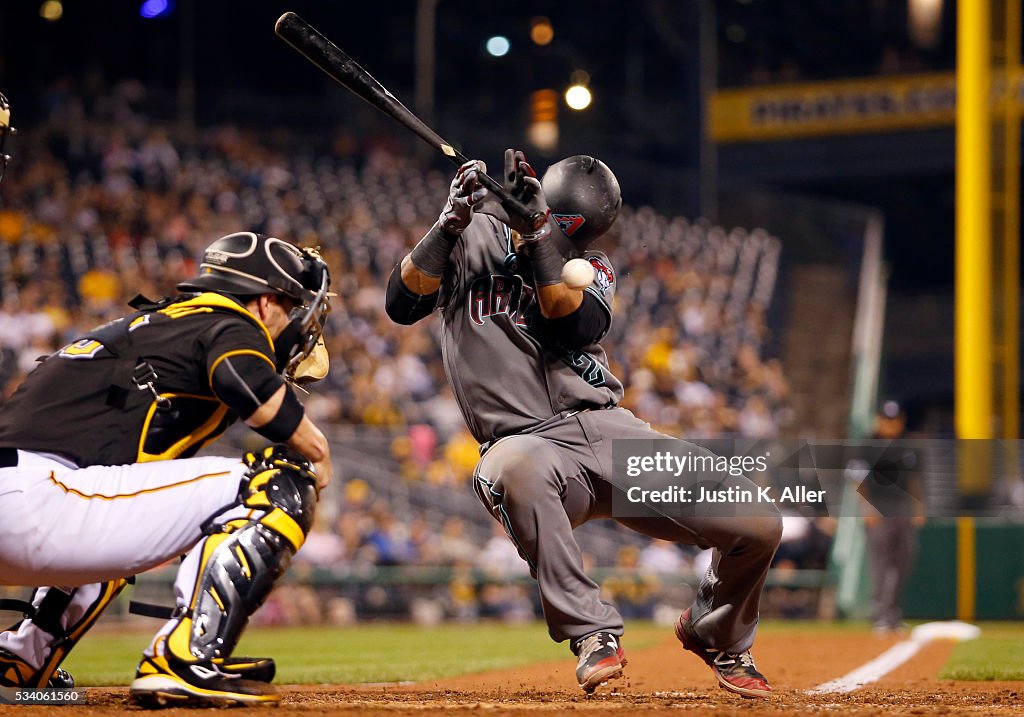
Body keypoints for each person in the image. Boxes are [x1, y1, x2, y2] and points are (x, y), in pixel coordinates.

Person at [385, 150, 782, 697]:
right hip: (523, 443)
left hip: (608, 431)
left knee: (758, 522)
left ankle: (716, 631)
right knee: (516, 466)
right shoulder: (469, 238)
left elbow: (572, 325)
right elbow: (401, 304)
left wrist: (536, 235)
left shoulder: (593, 268)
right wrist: (447, 222)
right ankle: (593, 633)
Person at [0, 161, 334, 710]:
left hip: (32, 495)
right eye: (292, 305)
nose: (296, 321)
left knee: (117, 514)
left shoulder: (159, 326)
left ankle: (21, 657)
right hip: (35, 498)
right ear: (264, 300)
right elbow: (242, 382)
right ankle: (186, 657)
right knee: (276, 481)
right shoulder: (228, 319)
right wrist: (318, 452)